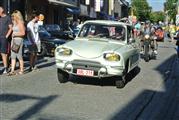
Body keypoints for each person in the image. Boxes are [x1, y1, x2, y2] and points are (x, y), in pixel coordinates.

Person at [8, 10, 25, 75]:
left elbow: (23, 33)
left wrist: (15, 34)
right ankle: (12, 71)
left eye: (13, 16)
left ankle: (22, 70)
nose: (12, 17)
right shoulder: (15, 22)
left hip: (19, 40)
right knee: (13, 56)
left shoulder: (20, 23)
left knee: (19, 55)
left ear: (17, 16)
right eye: (12, 16)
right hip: (14, 40)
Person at [0, 6, 13, 74]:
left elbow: (11, 28)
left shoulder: (7, 18)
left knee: (3, 53)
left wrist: (6, 36)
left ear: (1, 11)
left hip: (3, 38)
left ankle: (6, 68)